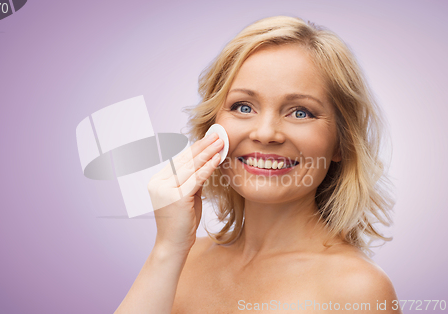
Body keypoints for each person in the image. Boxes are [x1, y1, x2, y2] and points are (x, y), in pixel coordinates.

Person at [114, 15, 400, 314]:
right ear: (212, 128)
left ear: (341, 142)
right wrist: (167, 249)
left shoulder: (357, 290)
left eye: (300, 112)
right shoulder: (180, 260)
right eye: (243, 107)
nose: (265, 133)